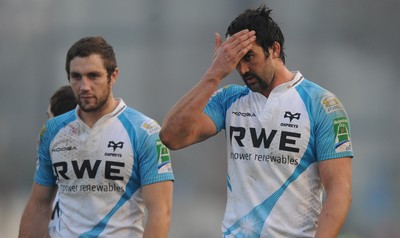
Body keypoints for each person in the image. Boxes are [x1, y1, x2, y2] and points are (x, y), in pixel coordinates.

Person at [160, 5, 352, 238]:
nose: (242, 68)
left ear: (274, 49)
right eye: (236, 60)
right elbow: (171, 136)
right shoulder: (230, 99)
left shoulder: (321, 104)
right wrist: (214, 73)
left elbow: (339, 190)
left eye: (249, 57)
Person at [19, 36, 174, 238]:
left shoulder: (145, 130)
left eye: (93, 76)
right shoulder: (52, 130)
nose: (84, 86)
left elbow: (160, 212)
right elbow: (38, 205)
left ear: (114, 75)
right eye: (76, 77)